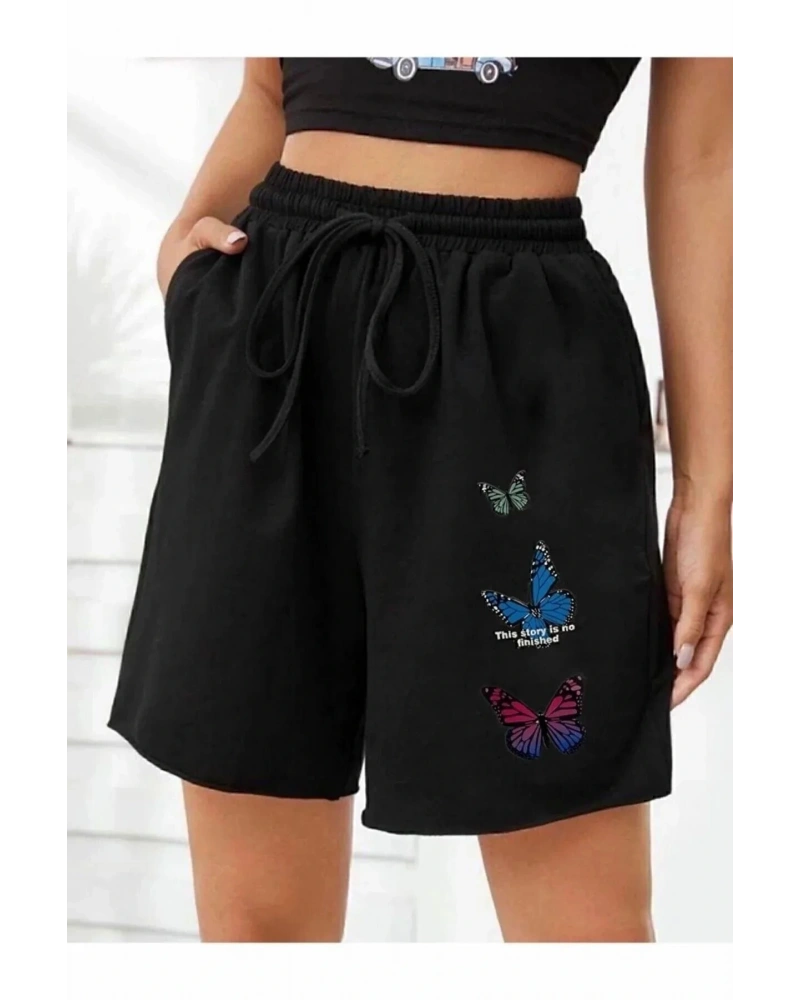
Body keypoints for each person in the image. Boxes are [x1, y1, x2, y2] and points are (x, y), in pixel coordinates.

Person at [108, 57, 734, 942]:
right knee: (257, 930)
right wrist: (185, 254)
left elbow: (705, 162)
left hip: (518, 358)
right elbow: (268, 89)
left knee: (583, 932)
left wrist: (708, 486)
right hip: (277, 336)